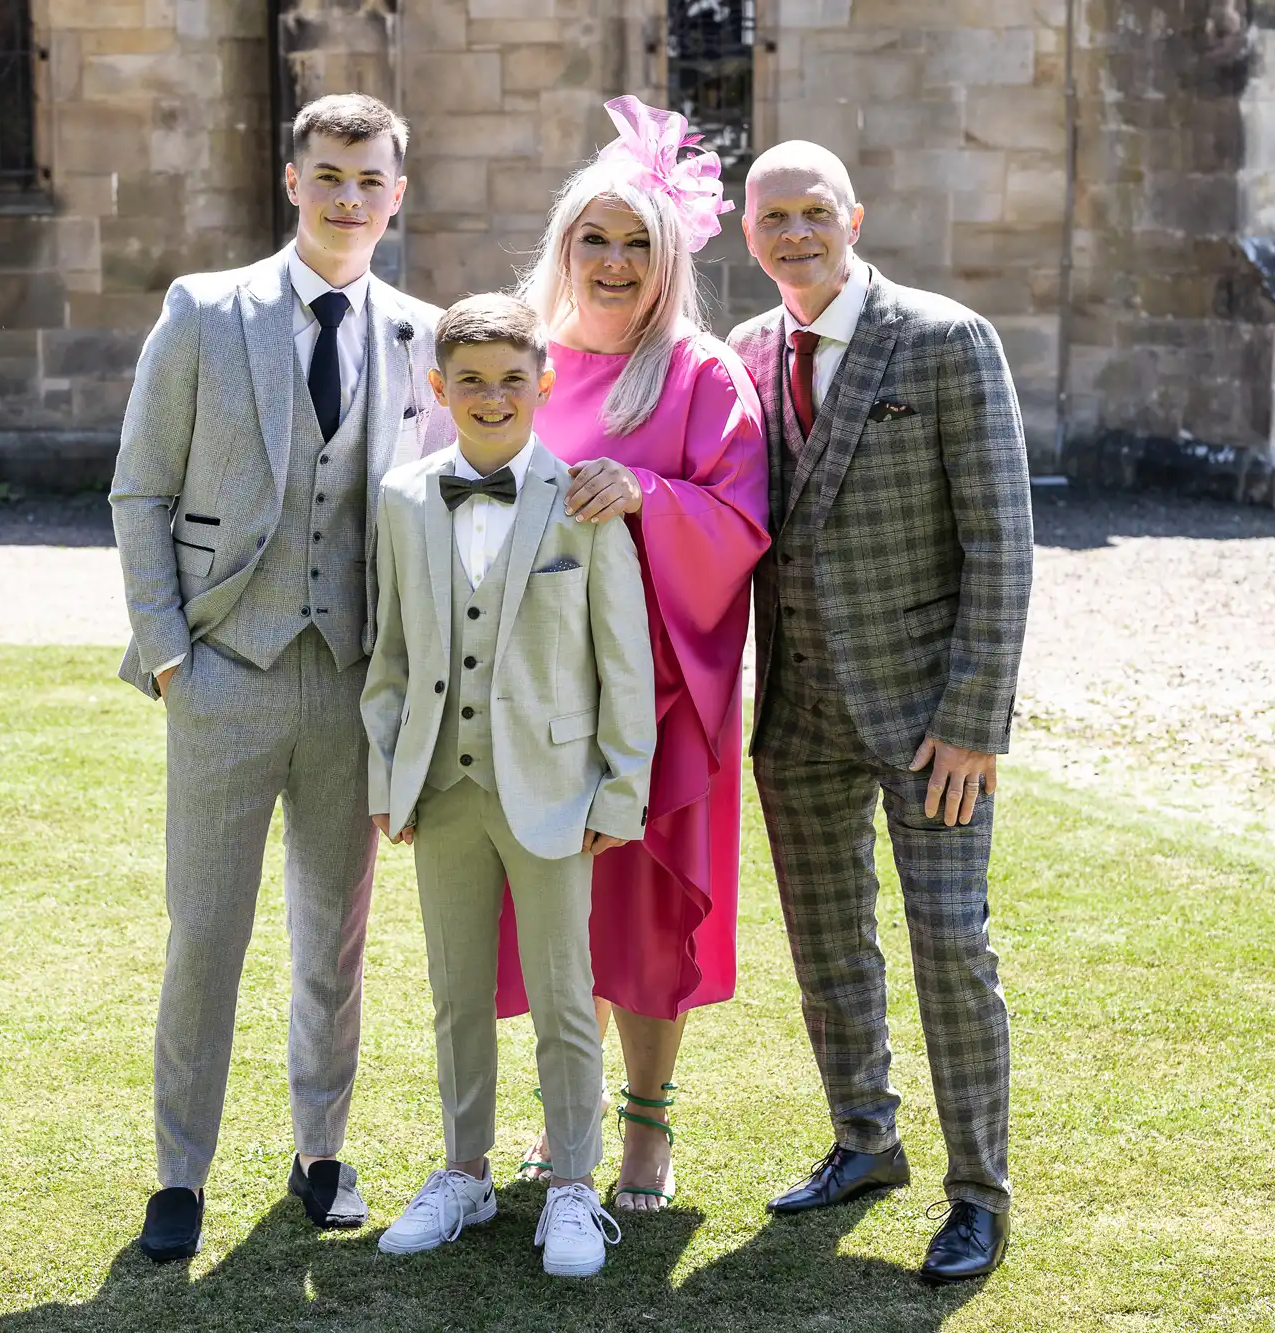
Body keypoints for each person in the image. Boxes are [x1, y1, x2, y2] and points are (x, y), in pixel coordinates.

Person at [109, 93, 450, 1264]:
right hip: (222, 672)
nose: (349, 197)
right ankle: (179, 1174)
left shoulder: (422, 333)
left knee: (334, 940)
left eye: (371, 180)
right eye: (329, 175)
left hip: (351, 683)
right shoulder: (205, 311)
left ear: (396, 195)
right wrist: (169, 655)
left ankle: (320, 1150)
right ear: (293, 180)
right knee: (203, 934)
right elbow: (139, 490)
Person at [727, 140, 1033, 1284]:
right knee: (825, 945)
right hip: (796, 709)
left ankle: (977, 1192)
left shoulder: (948, 340)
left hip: (928, 717)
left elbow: (1000, 540)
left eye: (814, 211)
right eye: (774, 217)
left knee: (949, 947)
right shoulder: (748, 354)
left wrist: (975, 718)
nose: (795, 233)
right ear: (745, 232)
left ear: (853, 215)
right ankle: (864, 1140)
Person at [496, 95, 770, 1213]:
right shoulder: (525, 364)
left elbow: (741, 522)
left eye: (635, 244)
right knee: (559, 901)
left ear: (668, 260)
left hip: (661, 692)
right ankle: (572, 1107)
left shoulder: (700, 375)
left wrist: (647, 495)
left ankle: (647, 1131)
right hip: (536, 688)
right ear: (562, 248)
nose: (612, 264)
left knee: (645, 909)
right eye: (591, 240)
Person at [361, 294, 658, 1277]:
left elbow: (625, 662)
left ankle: (571, 1182)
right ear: (439, 391)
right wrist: (386, 777)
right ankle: (463, 1172)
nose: (491, 397)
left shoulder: (583, 500)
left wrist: (619, 794)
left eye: (510, 379)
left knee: (565, 992)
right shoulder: (404, 500)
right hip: (440, 787)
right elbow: (391, 659)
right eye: (471, 381)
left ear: (544, 385)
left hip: (555, 793)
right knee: (454, 991)